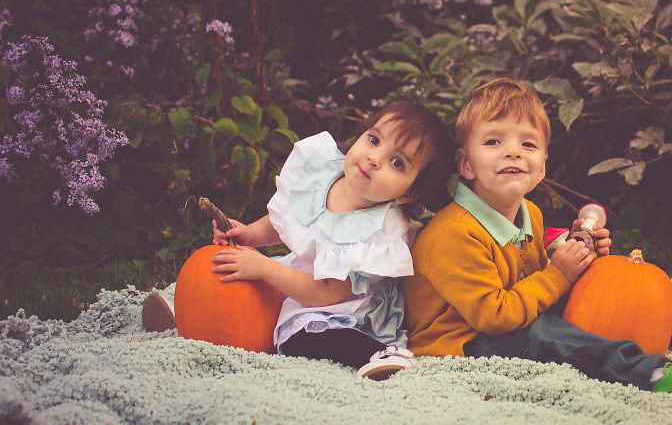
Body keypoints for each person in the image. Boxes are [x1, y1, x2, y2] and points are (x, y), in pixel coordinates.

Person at [402, 78, 672, 393]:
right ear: (465, 163)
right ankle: (649, 373)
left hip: (508, 313)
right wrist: (559, 274)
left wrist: (577, 257)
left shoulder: (529, 213)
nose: (512, 152)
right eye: (493, 141)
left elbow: (534, 275)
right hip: (462, 341)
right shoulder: (453, 234)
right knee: (546, 335)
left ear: (541, 168)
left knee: (606, 285)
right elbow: (495, 316)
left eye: (527, 143)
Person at [143, 101, 455, 380]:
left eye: (397, 163)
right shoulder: (323, 175)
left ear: (408, 193)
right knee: (241, 278)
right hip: (300, 276)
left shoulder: (379, 232)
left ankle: (377, 354)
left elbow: (328, 293)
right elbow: (288, 221)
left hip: (345, 309)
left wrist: (265, 268)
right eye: (374, 139)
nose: (374, 158)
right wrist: (249, 233)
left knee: (302, 335)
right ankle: (193, 316)